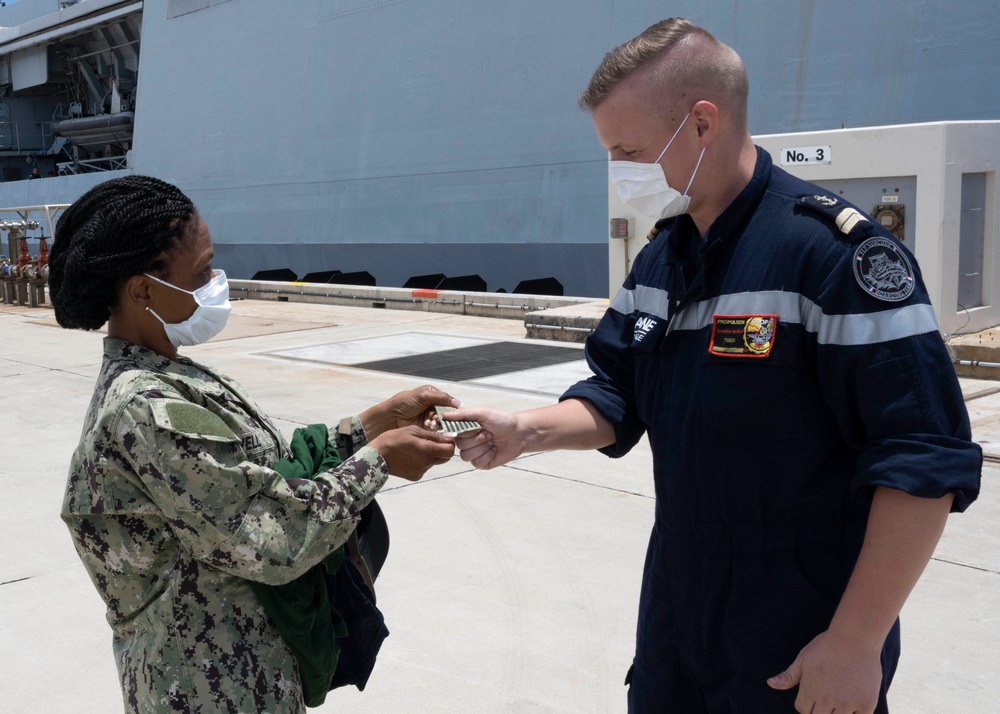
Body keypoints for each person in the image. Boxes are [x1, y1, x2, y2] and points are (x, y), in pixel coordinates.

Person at [446, 18, 982, 714]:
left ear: (703, 123)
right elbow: (616, 393)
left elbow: (922, 460)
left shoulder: (833, 258)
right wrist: (523, 429)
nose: (622, 174)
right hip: (679, 601)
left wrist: (855, 643)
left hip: (797, 620)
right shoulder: (663, 258)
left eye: (631, 151)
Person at [50, 175, 457, 713]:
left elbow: (253, 472)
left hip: (245, 676)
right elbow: (272, 537)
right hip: (207, 689)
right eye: (200, 274)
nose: (216, 282)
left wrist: (369, 427)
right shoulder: (146, 409)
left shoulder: (175, 376)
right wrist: (380, 461)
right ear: (142, 290)